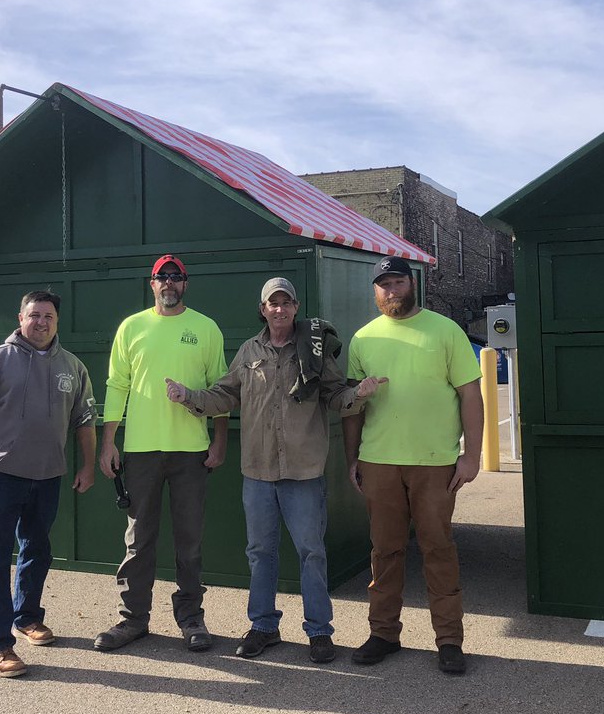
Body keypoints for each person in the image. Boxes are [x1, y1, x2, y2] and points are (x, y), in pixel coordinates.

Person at [165, 277, 386, 664]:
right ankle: (263, 626)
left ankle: (319, 632)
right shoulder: (250, 352)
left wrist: (359, 394)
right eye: (273, 303)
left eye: (286, 303)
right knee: (260, 552)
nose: (279, 309)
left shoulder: (314, 352)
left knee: (311, 553)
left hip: (303, 472)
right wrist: (189, 397)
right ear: (262, 309)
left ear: (296, 307)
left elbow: (336, 397)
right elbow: (224, 396)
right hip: (258, 472)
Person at [0, 290, 98, 678]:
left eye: (48, 316)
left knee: (37, 550)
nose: (41, 322)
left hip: (47, 477)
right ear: (20, 318)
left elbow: (84, 420)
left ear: (57, 322)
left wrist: (88, 466)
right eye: (34, 315)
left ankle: (27, 618)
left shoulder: (73, 367)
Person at [342, 256, 484, 675]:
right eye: (383, 284)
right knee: (385, 551)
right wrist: (352, 458)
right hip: (379, 461)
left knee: (438, 549)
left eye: (398, 282)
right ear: (375, 290)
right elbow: (352, 406)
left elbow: (470, 396)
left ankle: (449, 640)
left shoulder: (445, 330)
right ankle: (383, 633)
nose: (391, 290)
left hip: (434, 463)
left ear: (412, 284)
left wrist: (472, 455)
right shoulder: (363, 338)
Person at [95, 255, 228, 653]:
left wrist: (218, 440)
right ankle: (133, 619)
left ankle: (191, 618)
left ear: (185, 283)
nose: (168, 283)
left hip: (191, 452)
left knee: (189, 541)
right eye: (161, 277)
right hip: (140, 451)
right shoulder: (131, 327)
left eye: (176, 277)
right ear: (151, 284)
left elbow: (219, 390)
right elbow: (117, 385)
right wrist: (108, 442)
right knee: (139, 540)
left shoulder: (205, 328)